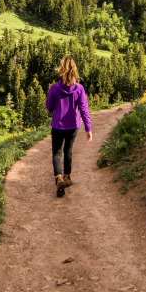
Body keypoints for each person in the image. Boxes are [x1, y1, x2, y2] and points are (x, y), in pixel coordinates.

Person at [45, 55, 93, 197]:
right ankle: (67, 177)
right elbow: (84, 109)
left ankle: (58, 177)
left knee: (56, 152)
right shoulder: (79, 89)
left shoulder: (54, 88)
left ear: (61, 70)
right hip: (73, 125)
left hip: (58, 125)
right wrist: (88, 128)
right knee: (68, 151)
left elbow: (49, 107)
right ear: (74, 71)